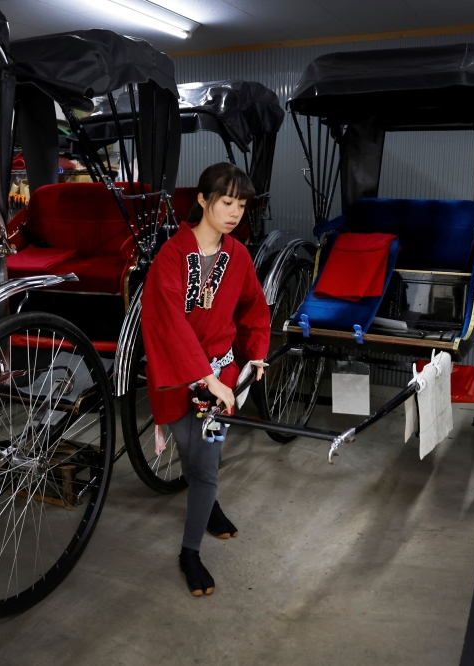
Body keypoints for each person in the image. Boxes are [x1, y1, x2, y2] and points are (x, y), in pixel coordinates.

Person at [141, 162, 271, 597]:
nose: (235, 212)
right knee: (191, 455)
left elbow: (254, 307)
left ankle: (190, 553)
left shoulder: (238, 255)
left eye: (242, 205)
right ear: (202, 200)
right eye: (227, 202)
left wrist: (257, 355)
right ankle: (209, 507)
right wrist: (202, 376)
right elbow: (168, 322)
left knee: (206, 463)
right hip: (176, 378)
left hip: (222, 380)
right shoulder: (171, 257)